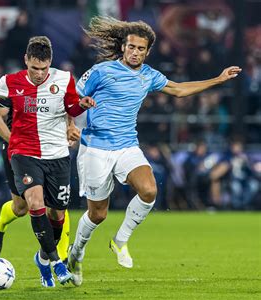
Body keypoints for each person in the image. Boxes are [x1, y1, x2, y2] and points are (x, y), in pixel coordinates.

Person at [67, 16, 241, 286]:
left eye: (140, 49)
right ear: (123, 47)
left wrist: (218, 80)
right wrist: (71, 123)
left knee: (149, 190)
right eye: (131, 47)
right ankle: (76, 253)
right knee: (98, 214)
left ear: (147, 52)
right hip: (96, 149)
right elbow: (72, 99)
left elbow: (179, 90)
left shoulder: (149, 75)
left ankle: (120, 240)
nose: (135, 52)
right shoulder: (101, 71)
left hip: (127, 145)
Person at [0, 36, 95, 287]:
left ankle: (41, 257)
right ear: (26, 61)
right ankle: (56, 262)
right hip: (22, 151)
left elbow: (72, 107)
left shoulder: (63, 79)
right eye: (34, 68)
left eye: (43, 69)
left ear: (50, 63)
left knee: (56, 212)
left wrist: (81, 107)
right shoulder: (11, 82)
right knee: (33, 203)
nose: (39, 75)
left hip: (56, 155)